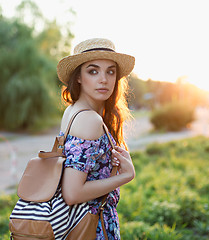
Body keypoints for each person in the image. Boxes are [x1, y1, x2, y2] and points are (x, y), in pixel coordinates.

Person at [57, 38, 136, 239]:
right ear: (78, 77)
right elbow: (72, 192)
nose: (104, 79)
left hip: (78, 224)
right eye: (93, 71)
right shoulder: (89, 119)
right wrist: (124, 176)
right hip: (92, 227)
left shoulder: (73, 111)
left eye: (110, 71)